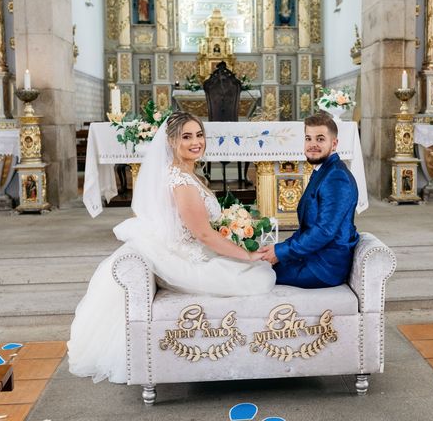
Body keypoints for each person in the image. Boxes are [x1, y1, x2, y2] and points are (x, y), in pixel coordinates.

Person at [68, 112, 275, 383]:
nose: (195, 142)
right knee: (259, 275)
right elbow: (203, 234)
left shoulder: (184, 173)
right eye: (186, 137)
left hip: (194, 247)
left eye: (199, 135)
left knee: (258, 269)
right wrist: (246, 255)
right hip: (189, 259)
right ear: (170, 141)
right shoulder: (181, 182)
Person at [258, 113, 359, 288]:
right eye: (308, 138)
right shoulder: (323, 171)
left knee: (257, 274)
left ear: (334, 144)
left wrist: (281, 252)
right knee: (257, 264)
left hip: (324, 267)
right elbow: (309, 228)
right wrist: (279, 248)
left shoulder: (336, 176)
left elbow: (324, 231)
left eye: (320, 139)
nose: (312, 145)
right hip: (312, 256)